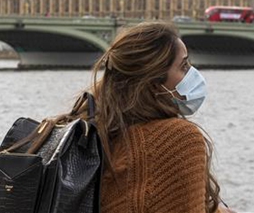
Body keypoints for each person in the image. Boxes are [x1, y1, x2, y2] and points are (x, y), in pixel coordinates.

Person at [81, 21, 233, 213]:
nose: (192, 74)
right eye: (184, 66)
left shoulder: (89, 130)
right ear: (154, 82)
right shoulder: (178, 139)